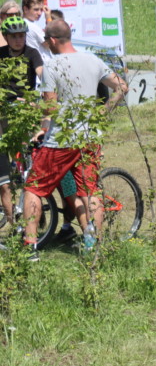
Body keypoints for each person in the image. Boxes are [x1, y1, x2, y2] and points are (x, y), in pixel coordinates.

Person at [21, 20, 127, 257]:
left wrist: (32, 110)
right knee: (90, 191)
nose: (46, 45)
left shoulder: (52, 65)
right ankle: (94, 247)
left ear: (53, 40)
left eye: (46, 41)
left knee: (34, 189)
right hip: (89, 137)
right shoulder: (92, 60)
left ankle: (30, 248)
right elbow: (121, 86)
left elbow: (50, 107)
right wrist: (103, 111)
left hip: (61, 141)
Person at [0, 10, 44, 227]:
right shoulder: (0, 55)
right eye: (14, 36)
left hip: (26, 111)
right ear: (6, 37)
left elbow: (42, 73)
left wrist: (42, 96)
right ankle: (13, 225)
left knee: (32, 164)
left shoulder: (32, 53)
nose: (18, 40)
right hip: (3, 112)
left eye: (22, 35)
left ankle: (38, 215)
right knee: (4, 175)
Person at [21, 0, 49, 64]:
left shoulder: (22, 23)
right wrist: (49, 19)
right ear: (25, 9)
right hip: (42, 64)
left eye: (41, 10)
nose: (40, 13)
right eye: (36, 9)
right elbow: (50, 45)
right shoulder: (32, 26)